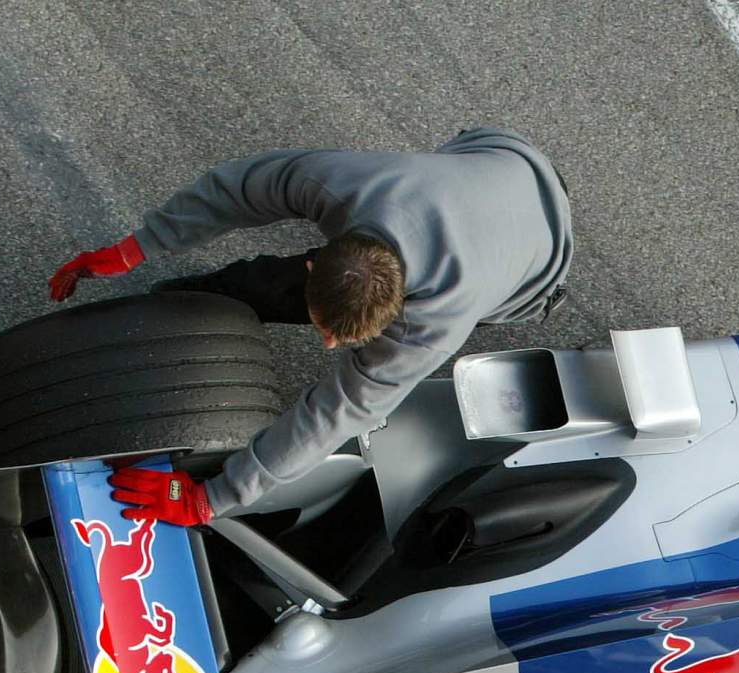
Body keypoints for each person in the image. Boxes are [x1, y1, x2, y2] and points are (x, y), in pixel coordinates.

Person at [47, 128, 574, 522]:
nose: (326, 345)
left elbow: (336, 413)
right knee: (257, 285)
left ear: (398, 316)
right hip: (489, 162)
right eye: (326, 328)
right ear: (311, 264)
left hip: (537, 259)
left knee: (359, 395)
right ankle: (184, 303)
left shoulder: (435, 320)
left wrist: (214, 497)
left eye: (344, 340)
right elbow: (237, 189)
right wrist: (139, 245)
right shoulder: (344, 183)